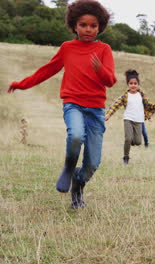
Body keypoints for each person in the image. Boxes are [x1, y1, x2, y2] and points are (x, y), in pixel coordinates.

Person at [7, 0, 116, 209]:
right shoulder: (67, 48)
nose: (88, 29)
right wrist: (22, 84)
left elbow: (110, 80)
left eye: (93, 26)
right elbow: (46, 71)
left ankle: (78, 182)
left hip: (96, 110)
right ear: (74, 25)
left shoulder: (104, 49)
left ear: (100, 27)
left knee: (93, 164)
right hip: (73, 104)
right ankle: (68, 167)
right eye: (83, 25)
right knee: (75, 135)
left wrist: (100, 69)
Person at [105, 69, 155, 165]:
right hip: (128, 119)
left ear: (138, 84)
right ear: (128, 84)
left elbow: (148, 104)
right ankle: (126, 157)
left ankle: (131, 140)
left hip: (139, 121)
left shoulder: (141, 95)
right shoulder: (125, 96)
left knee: (138, 142)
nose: (133, 85)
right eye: (131, 83)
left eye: (135, 83)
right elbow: (115, 105)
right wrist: (108, 115)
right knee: (128, 139)